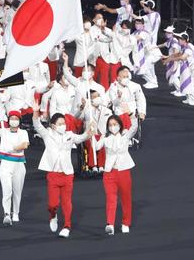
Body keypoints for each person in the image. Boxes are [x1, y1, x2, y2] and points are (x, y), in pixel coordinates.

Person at [32, 101, 94, 238]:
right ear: (53, 126)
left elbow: (81, 138)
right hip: (53, 174)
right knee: (53, 204)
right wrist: (36, 112)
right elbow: (36, 124)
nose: (63, 126)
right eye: (60, 124)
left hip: (67, 174)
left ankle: (67, 225)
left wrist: (89, 132)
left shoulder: (70, 135)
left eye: (64, 123)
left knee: (66, 202)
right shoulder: (47, 134)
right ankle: (53, 215)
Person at [94, 114, 138, 235]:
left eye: (115, 124)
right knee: (111, 199)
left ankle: (125, 223)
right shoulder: (105, 138)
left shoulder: (125, 136)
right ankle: (110, 224)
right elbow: (97, 147)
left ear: (119, 125)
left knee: (126, 198)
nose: (113, 127)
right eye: (110, 125)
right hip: (109, 173)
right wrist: (92, 134)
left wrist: (131, 115)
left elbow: (134, 127)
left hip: (123, 171)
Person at [0, 110, 29, 225]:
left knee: (17, 191)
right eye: (12, 118)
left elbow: (25, 145)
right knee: (7, 190)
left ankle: (15, 213)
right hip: (5, 164)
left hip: (19, 164)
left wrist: (12, 148)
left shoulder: (23, 133)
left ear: (19, 121)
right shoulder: (4, 131)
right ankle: (6, 214)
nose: (14, 121)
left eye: (16, 119)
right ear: (8, 120)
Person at [168, 31, 194, 106]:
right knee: (186, 83)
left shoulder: (189, 48)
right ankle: (190, 98)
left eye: (180, 39)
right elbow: (178, 55)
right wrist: (168, 57)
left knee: (189, 84)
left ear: (184, 40)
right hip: (193, 69)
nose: (178, 40)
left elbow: (182, 57)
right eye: (178, 38)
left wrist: (170, 59)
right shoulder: (185, 47)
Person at [77, 89, 112, 173]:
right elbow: (78, 118)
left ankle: (101, 166)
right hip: (90, 135)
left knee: (103, 142)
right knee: (92, 143)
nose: (98, 98)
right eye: (95, 97)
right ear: (90, 99)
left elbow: (112, 122)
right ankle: (93, 166)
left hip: (103, 135)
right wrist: (81, 108)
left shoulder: (107, 110)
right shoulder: (86, 110)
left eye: (98, 96)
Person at [90, 13, 113, 90]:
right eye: (98, 18)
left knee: (104, 78)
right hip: (93, 57)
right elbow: (93, 40)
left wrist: (104, 29)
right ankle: (92, 94)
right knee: (92, 77)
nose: (101, 19)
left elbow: (112, 41)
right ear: (94, 20)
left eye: (102, 17)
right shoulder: (90, 29)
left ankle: (105, 95)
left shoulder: (108, 30)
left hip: (105, 57)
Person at [158, 25, 182, 96]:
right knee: (172, 76)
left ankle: (181, 91)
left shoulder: (174, 42)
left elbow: (176, 54)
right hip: (172, 60)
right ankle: (178, 89)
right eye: (166, 32)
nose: (167, 34)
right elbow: (163, 45)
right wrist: (154, 47)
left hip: (176, 61)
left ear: (173, 34)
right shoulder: (170, 40)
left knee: (174, 77)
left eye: (169, 33)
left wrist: (166, 57)